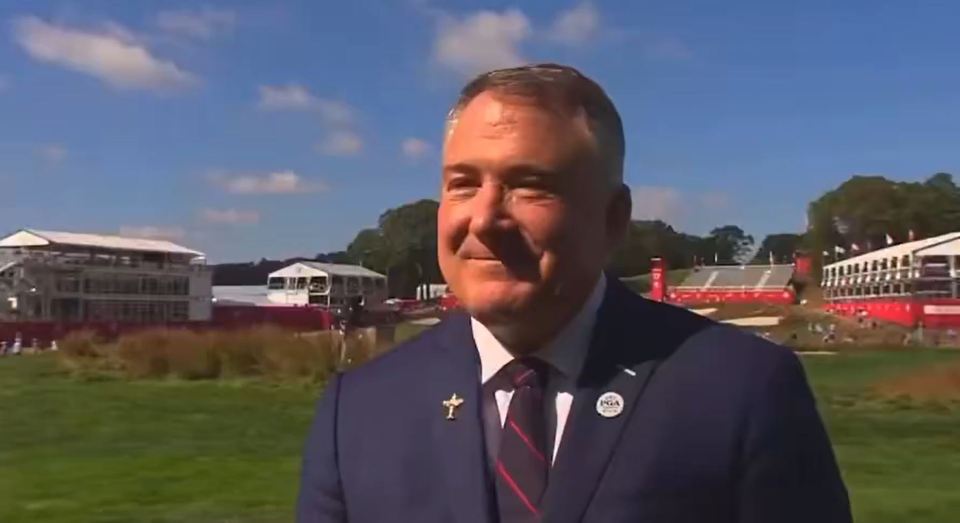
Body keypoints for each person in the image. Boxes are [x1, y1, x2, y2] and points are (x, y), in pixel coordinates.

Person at [297, 64, 850, 523]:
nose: (484, 219)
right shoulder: (360, 409)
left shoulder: (740, 390)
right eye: (463, 184)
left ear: (613, 219)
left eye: (529, 185)